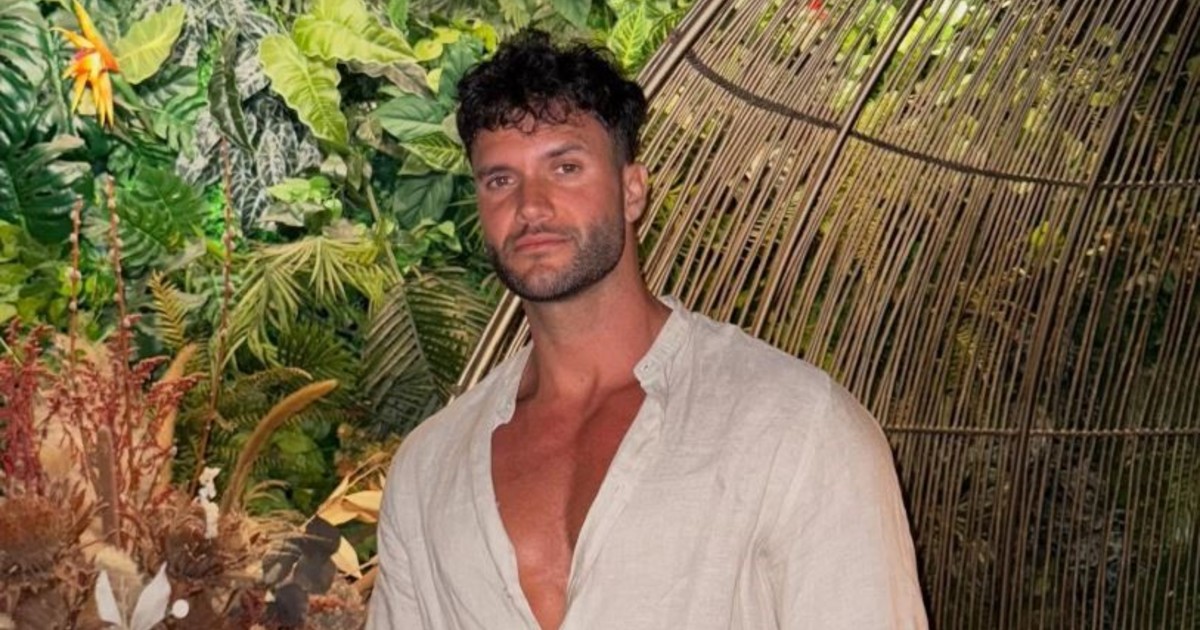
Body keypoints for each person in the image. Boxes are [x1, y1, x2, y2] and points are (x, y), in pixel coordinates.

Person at [367, 29, 927, 630]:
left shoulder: (798, 429)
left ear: (632, 191)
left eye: (566, 167)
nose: (530, 206)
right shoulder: (429, 470)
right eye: (500, 179)